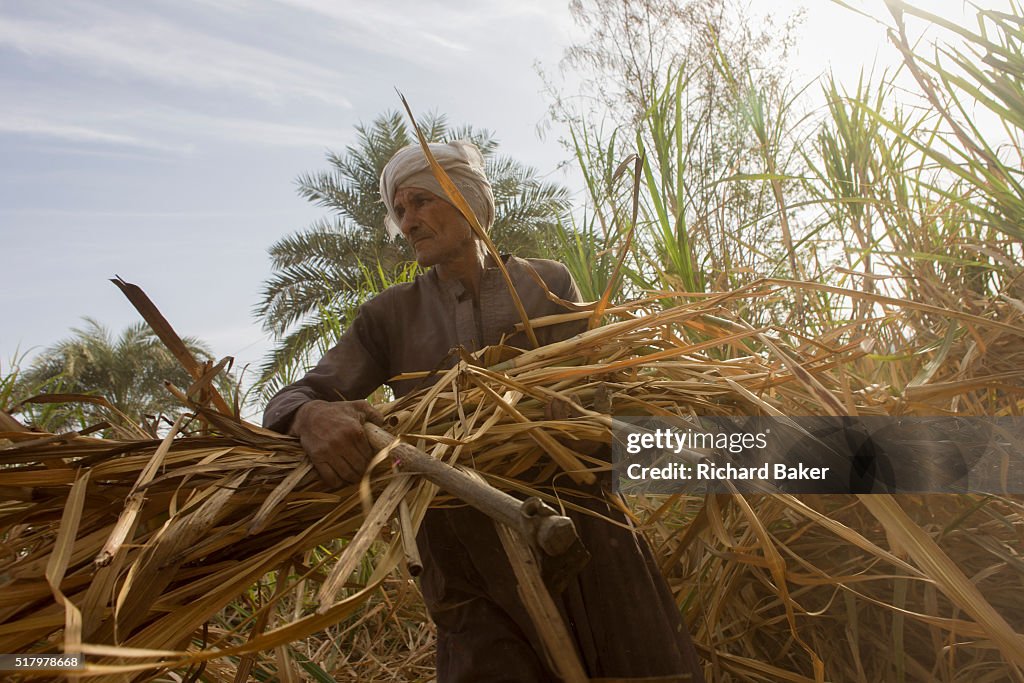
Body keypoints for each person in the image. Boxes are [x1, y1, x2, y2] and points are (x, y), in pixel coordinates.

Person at [263, 141, 704, 682]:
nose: (408, 221)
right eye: (400, 210)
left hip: (582, 528)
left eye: (421, 201)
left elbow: (599, 400)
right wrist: (309, 418)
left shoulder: (546, 284)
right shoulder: (389, 317)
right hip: (462, 552)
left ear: (467, 199)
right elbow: (295, 397)